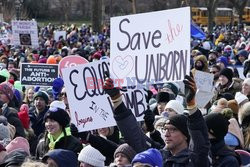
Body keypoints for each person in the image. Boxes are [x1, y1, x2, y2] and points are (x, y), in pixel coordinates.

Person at [103, 73, 210, 166]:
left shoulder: (194, 161)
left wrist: (191, 105)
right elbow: (134, 135)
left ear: (185, 135)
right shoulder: (157, 157)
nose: (167, 134)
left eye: (173, 129)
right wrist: (116, 100)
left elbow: (200, 141)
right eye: (165, 129)